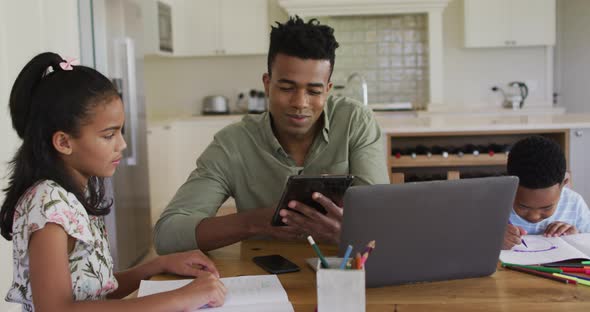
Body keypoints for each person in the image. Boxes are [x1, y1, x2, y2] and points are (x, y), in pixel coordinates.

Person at [0, 53, 226, 311]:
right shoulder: (48, 205)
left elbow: (94, 293)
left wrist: (158, 265)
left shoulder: (72, 195)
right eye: (109, 135)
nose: (122, 144)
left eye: (121, 131)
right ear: (64, 142)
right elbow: (56, 309)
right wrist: (182, 298)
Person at [154, 16, 389, 254]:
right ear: (267, 84)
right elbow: (167, 235)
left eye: (314, 91)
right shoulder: (233, 144)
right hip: (262, 276)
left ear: (328, 90)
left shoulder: (354, 121)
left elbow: (382, 219)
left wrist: (345, 233)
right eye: (287, 88)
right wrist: (255, 222)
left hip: (342, 273)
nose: (300, 103)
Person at [502, 135, 590, 250]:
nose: (534, 217)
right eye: (523, 206)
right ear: (510, 184)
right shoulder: (493, 203)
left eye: (546, 208)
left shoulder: (575, 204)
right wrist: (490, 239)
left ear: (563, 185)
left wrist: (576, 238)